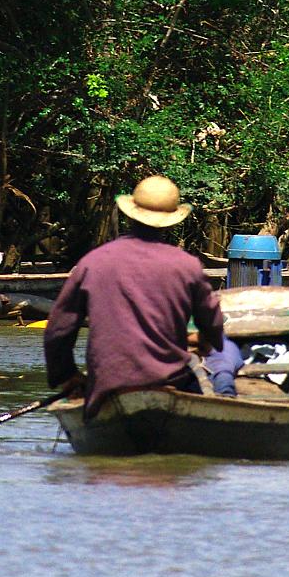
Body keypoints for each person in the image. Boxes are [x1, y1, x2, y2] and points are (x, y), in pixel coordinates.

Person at [43, 174, 229, 416]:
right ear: (172, 221)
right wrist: (209, 340)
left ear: (130, 214)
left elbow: (58, 331)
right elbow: (213, 323)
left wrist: (67, 376)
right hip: (170, 378)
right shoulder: (187, 266)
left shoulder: (93, 262)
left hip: (108, 383)